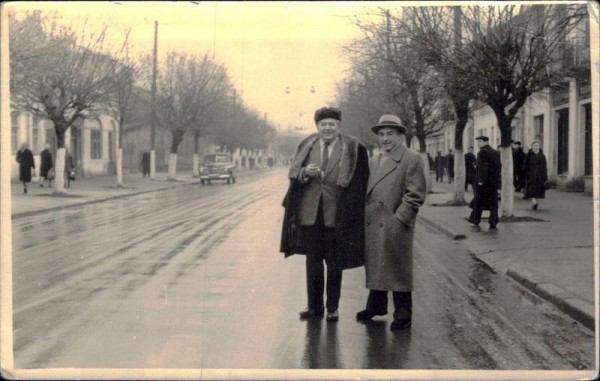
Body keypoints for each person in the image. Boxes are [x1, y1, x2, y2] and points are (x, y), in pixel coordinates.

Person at [280, 106, 369, 322]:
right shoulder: (307, 145)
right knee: (313, 262)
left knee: (334, 262)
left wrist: (351, 210)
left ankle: (332, 308)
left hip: (337, 214)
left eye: (332, 124)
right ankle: (314, 307)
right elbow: (294, 174)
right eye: (323, 124)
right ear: (317, 126)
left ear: (339, 126)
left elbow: (361, 182)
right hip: (310, 214)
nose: (327, 128)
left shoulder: (353, 148)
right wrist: (304, 173)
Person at [355, 114, 426, 331]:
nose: (385, 139)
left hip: (394, 223)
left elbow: (415, 194)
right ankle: (376, 306)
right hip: (374, 221)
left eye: (390, 134)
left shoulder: (410, 158)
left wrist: (399, 219)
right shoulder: (374, 160)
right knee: (378, 263)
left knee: (397, 268)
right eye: (382, 134)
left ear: (400, 136)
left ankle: (404, 313)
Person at [468, 136, 501, 229]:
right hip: (493, 182)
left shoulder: (482, 152)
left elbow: (483, 167)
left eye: (480, 142)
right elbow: (498, 168)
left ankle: (475, 220)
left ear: (486, 142)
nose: (478, 144)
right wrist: (498, 183)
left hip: (483, 183)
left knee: (479, 201)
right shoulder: (495, 152)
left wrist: (481, 180)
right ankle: (493, 222)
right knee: (493, 203)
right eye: (478, 142)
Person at [522, 141, 548, 210]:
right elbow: (525, 165)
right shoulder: (529, 155)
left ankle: (535, 201)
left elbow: (544, 166)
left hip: (540, 176)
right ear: (532, 147)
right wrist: (527, 173)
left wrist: (545, 176)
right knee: (530, 190)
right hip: (531, 175)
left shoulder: (542, 156)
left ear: (539, 147)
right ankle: (534, 202)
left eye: (537, 146)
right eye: (534, 146)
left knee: (537, 190)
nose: (536, 147)